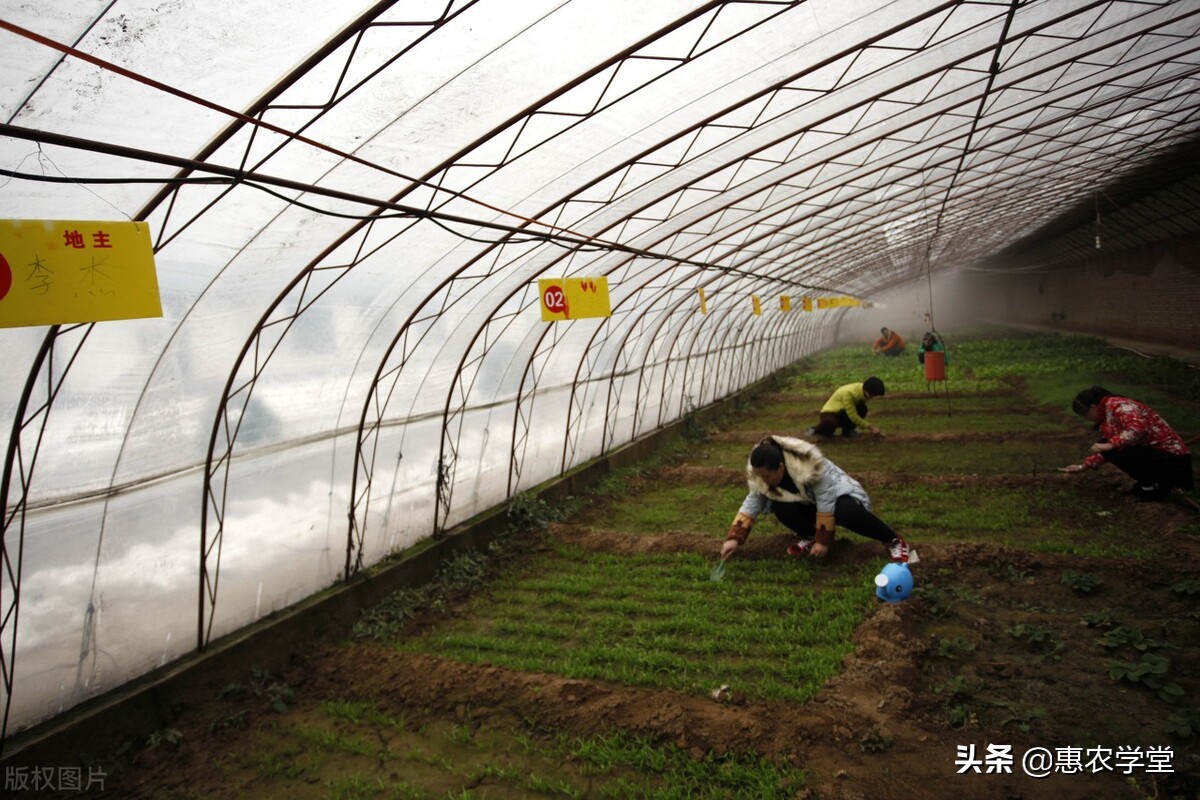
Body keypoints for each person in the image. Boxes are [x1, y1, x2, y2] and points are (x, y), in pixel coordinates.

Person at [719, 435, 911, 562]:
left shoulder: (810, 466)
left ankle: (893, 540)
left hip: (838, 495)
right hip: (809, 504)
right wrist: (734, 538)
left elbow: (826, 500)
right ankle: (810, 535)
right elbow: (752, 502)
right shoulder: (762, 474)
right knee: (780, 506)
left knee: (846, 512)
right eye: (759, 476)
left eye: (767, 476)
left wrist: (824, 540)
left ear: (780, 467)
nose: (763, 480)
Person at [1058, 386, 1194, 501]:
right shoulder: (1108, 415)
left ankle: (1153, 487)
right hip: (1160, 459)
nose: (1088, 420)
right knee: (1108, 444)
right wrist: (1083, 466)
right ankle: (1151, 485)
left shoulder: (1119, 405)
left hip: (1173, 461)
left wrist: (1111, 445)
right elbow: (1109, 450)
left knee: (1109, 445)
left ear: (1093, 407)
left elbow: (1137, 429)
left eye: (1085, 415)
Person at [806, 377, 885, 438]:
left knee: (862, 409)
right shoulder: (848, 393)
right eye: (872, 395)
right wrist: (871, 427)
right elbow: (852, 415)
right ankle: (815, 429)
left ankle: (848, 430)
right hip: (830, 413)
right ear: (866, 390)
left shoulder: (863, 391)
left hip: (843, 412)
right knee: (829, 425)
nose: (872, 397)